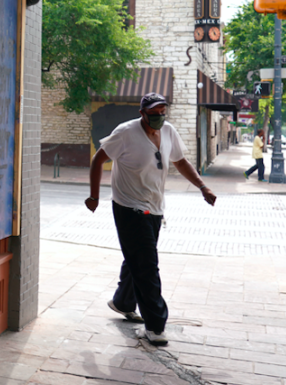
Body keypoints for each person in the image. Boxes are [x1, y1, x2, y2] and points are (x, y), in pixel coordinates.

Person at [84, 93, 216, 346]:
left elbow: (180, 161)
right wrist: (94, 196)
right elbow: (98, 159)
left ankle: (123, 301)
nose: (159, 117)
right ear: (142, 113)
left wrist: (202, 187)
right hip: (129, 207)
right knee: (147, 265)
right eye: (153, 113)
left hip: (154, 207)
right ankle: (155, 326)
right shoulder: (125, 132)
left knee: (139, 257)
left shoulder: (168, 131)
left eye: (162, 112)